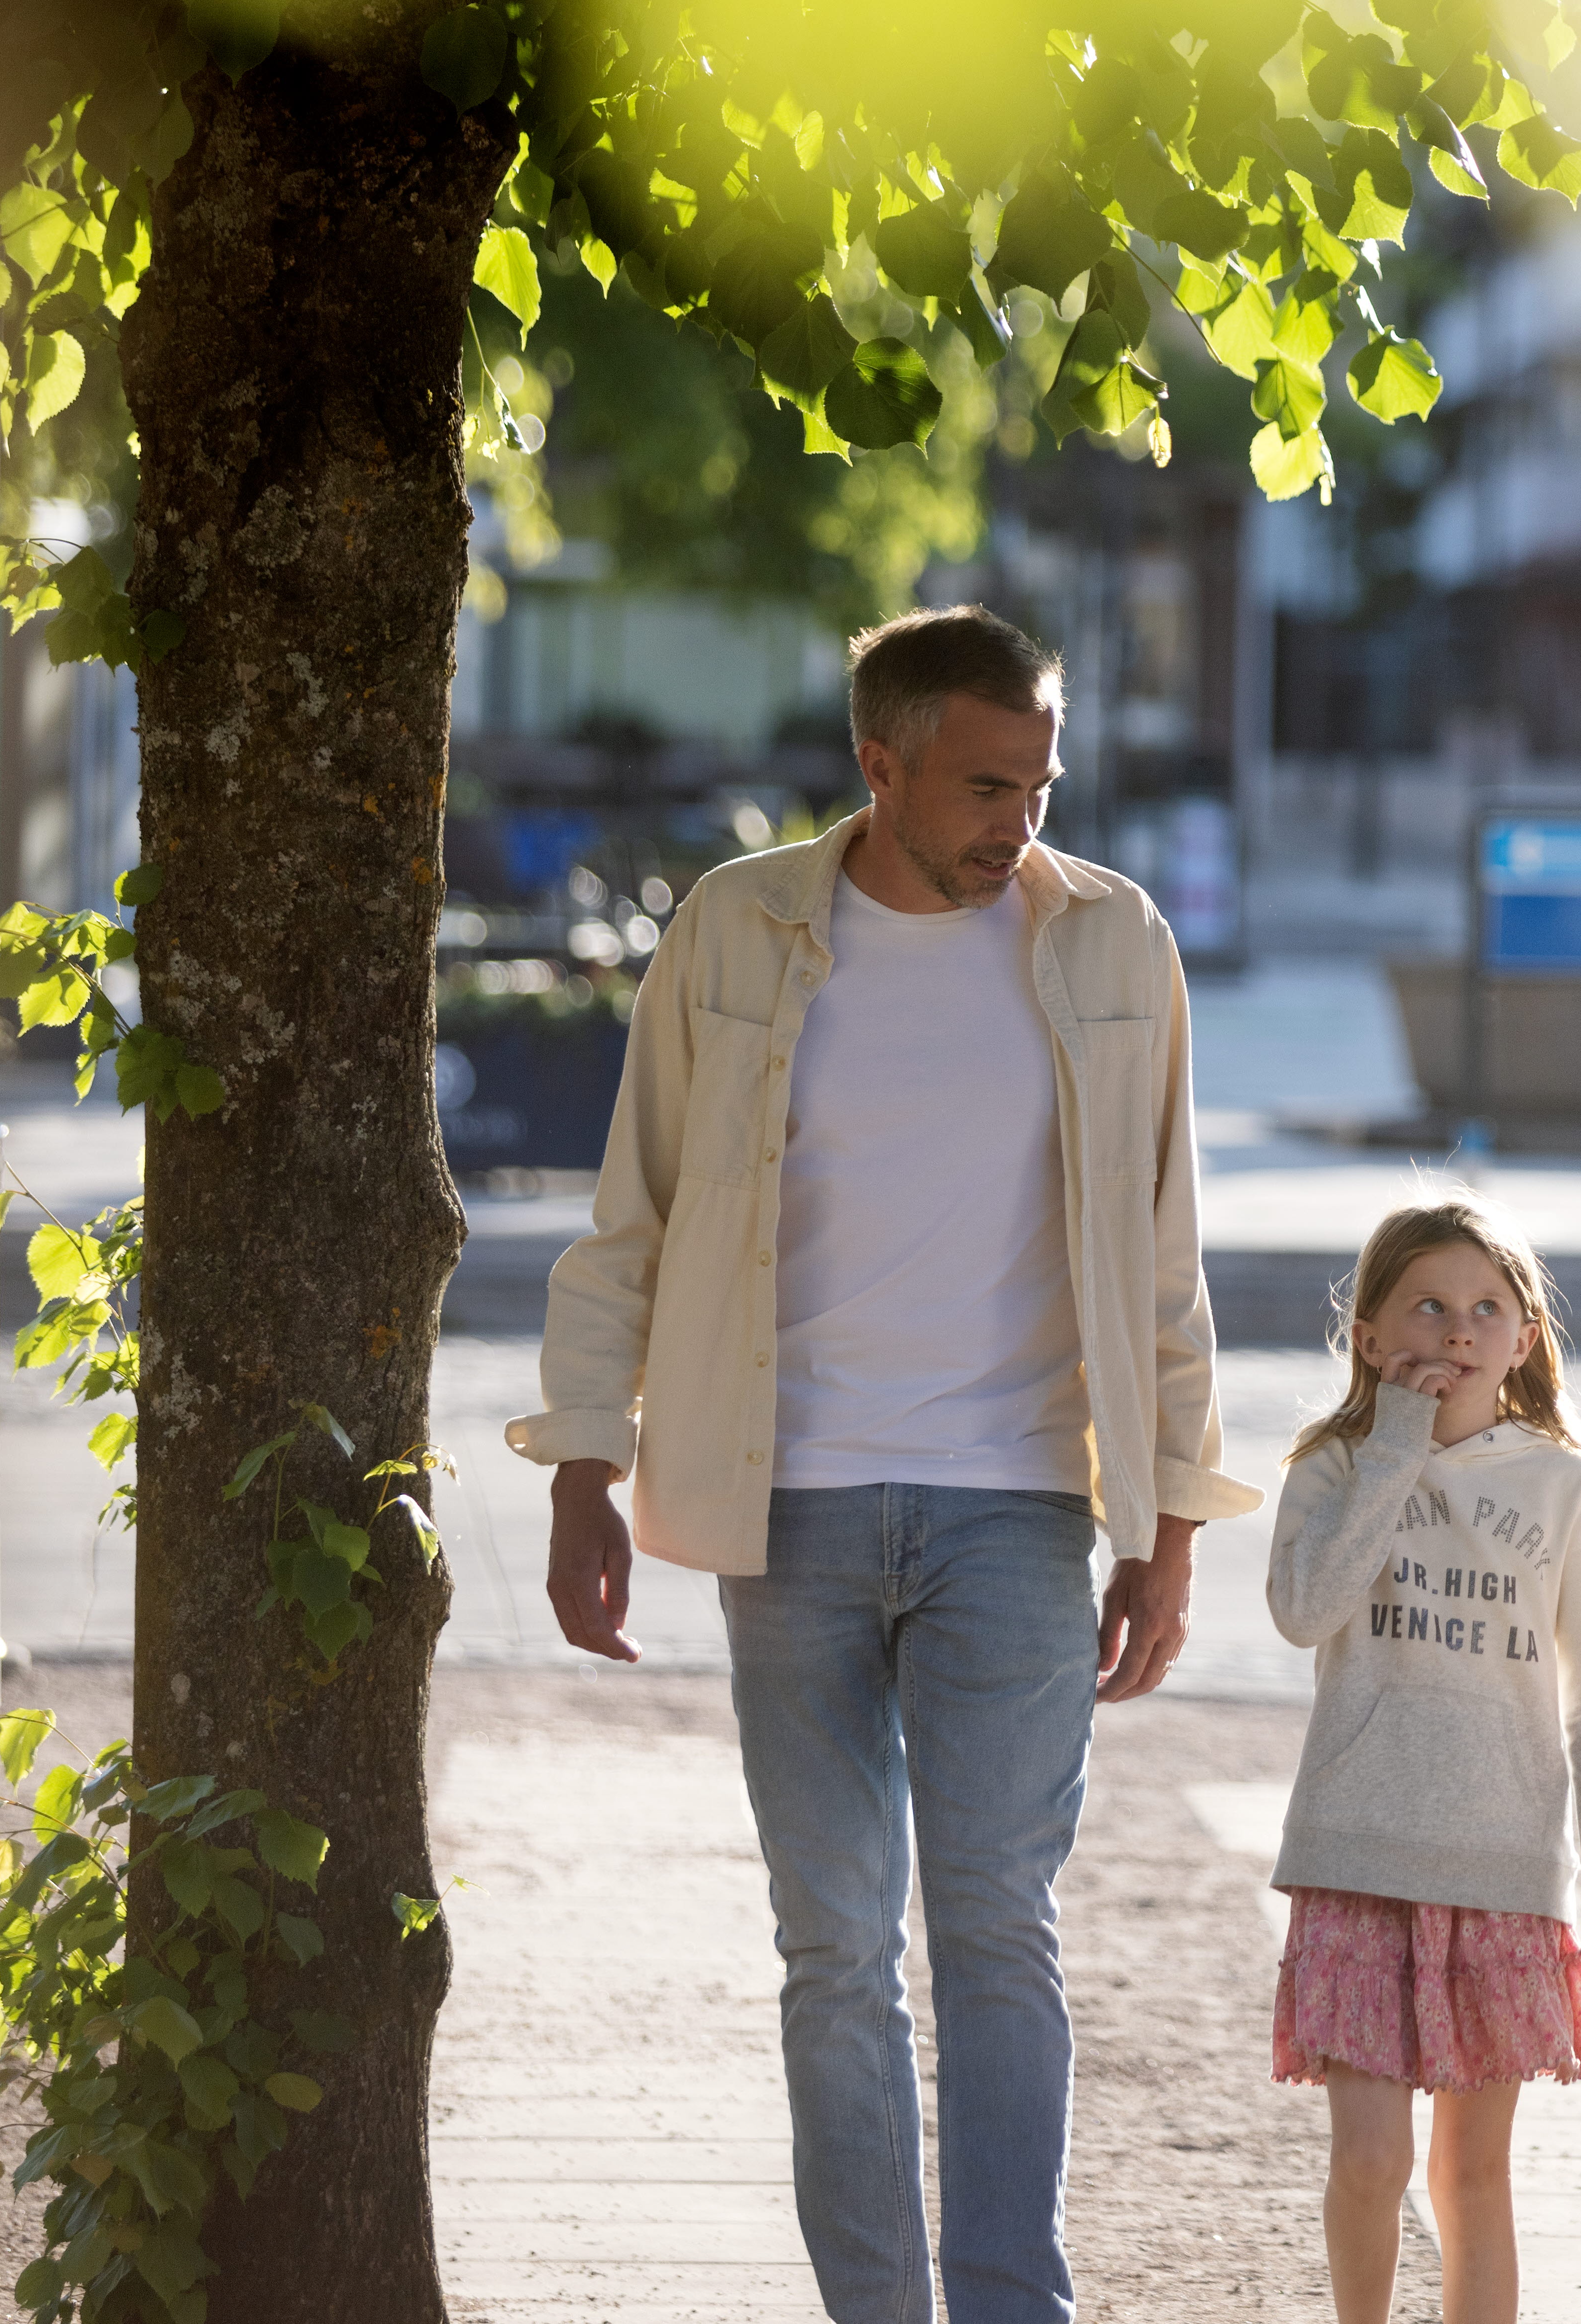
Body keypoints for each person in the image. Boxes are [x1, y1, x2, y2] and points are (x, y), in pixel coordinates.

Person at [507, 604, 1259, 2324]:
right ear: (880, 765)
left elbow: (1165, 1252)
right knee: (834, 1947)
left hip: (1019, 1503)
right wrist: (580, 1469)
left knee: (997, 1925)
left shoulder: (1113, 943)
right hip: (795, 1500)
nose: (1022, 820)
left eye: (1042, 783)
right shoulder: (736, 929)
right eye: (987, 784)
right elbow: (636, 1215)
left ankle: (1010, 2304)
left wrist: (1172, 1522)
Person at [1263, 1198, 1581, 2324]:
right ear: (1370, 1332)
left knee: (1474, 2173)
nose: (1456, 1328)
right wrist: (1395, 1442)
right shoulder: (1335, 1465)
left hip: (1503, 1868)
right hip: (1356, 1855)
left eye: (1488, 1306)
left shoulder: (1567, 1486)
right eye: (1427, 1304)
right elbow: (1305, 1609)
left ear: (1525, 1337)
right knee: (1370, 2159)